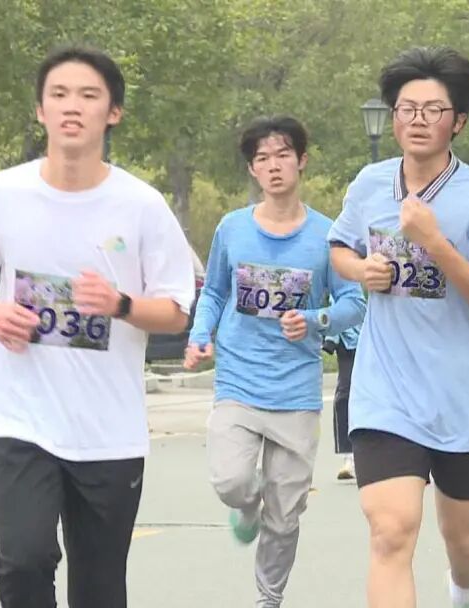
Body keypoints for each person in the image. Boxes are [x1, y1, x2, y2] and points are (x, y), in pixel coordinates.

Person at [0, 47, 195, 607]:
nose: (72, 107)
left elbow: (176, 310)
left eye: (89, 96)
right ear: (41, 110)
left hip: (107, 428)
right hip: (19, 417)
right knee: (22, 562)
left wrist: (120, 304)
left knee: (98, 588)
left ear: (112, 112)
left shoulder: (141, 206)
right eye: (59, 95)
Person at [328, 47, 469, 608]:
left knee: (461, 536)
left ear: (457, 121)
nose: (417, 119)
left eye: (432, 110)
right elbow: (339, 248)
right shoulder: (369, 183)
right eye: (406, 108)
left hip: (461, 396)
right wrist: (360, 270)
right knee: (390, 531)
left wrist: (435, 242)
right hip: (385, 390)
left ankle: (465, 593)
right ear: (392, 116)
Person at [184, 116, 365, 607]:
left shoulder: (328, 236)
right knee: (231, 481)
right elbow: (214, 292)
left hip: (296, 390)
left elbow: (354, 303)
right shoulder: (232, 228)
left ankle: (269, 599)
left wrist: (315, 319)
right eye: (262, 158)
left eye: (283, 155)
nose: (273, 166)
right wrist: (200, 335)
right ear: (253, 169)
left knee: (285, 515)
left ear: (301, 161)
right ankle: (246, 507)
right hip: (239, 381)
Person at [324, 322, 362, 480]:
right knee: (344, 398)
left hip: (370, 341)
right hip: (346, 343)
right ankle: (349, 458)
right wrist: (331, 338)